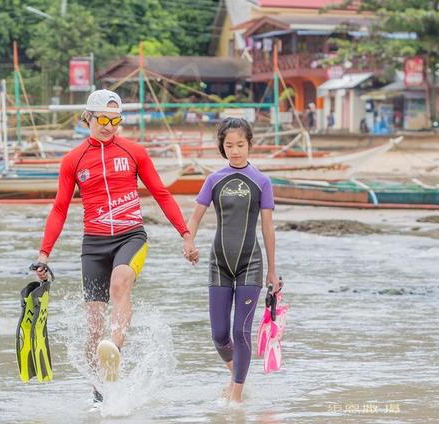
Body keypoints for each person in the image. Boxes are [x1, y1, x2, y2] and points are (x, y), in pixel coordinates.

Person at [34, 89, 197, 401]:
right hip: (93, 244)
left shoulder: (134, 152)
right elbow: (59, 208)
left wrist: (185, 234)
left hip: (130, 237)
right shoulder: (73, 160)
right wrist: (44, 253)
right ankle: (99, 392)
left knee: (120, 283)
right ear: (88, 118)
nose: (109, 126)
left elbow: (161, 193)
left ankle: (115, 347)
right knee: (94, 325)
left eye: (115, 120)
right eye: (102, 119)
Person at [185, 117, 280, 405]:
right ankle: (236, 374)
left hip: (250, 263)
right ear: (222, 147)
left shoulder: (261, 181)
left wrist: (273, 272)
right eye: (229, 145)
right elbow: (196, 216)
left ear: (250, 145)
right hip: (219, 263)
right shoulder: (214, 180)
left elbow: (267, 227)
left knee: (241, 331)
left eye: (240, 144)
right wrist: (188, 241)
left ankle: (237, 394)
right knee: (219, 335)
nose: (235, 150)